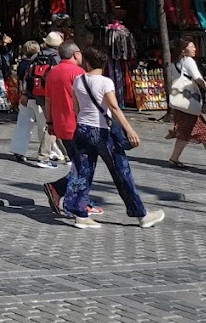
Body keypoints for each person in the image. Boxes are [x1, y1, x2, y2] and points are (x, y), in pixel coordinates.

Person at [63, 45, 164, 229]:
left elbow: (76, 108)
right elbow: (114, 108)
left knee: (82, 171)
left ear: (87, 62)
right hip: (102, 131)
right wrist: (130, 130)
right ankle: (140, 213)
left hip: (82, 129)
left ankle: (80, 214)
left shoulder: (78, 80)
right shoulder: (105, 82)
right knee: (121, 172)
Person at [41, 42, 99, 218]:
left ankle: (82, 199)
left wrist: (50, 123)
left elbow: (48, 100)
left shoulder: (52, 72)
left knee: (79, 165)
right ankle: (62, 191)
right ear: (75, 54)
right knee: (84, 167)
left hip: (60, 125)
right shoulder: (79, 73)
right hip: (78, 124)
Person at [11, 34, 65, 167]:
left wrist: (24, 93)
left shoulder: (36, 56)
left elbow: (26, 76)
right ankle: (52, 153)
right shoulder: (58, 59)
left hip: (29, 95)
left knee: (23, 124)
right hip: (44, 98)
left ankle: (18, 150)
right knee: (45, 127)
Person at [167, 36, 206, 168]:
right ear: (183, 50)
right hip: (188, 103)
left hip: (181, 103)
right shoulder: (188, 61)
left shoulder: (175, 62)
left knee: (191, 130)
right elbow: (198, 79)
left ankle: (174, 158)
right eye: (191, 47)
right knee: (201, 129)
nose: (194, 49)